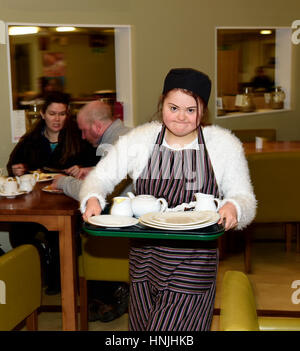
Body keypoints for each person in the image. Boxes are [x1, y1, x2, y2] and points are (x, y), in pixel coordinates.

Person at [79, 68, 256, 331]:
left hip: (194, 260)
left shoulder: (223, 144)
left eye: (190, 110)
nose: (181, 118)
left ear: (203, 111)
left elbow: (245, 198)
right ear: (162, 103)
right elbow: (100, 177)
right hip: (145, 259)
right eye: (173, 108)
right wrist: (92, 198)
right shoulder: (140, 140)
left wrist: (234, 206)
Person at [6, 91, 97, 295]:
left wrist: (82, 170)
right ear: (43, 115)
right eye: (52, 114)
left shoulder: (80, 138)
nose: (57, 119)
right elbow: (13, 165)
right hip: (35, 203)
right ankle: (37, 273)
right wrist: (17, 170)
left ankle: (59, 282)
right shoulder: (30, 140)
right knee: (18, 233)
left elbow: (97, 169)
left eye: (62, 114)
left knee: (59, 236)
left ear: (68, 115)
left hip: (67, 203)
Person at [51, 99, 132, 322]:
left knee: (79, 233)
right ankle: (106, 295)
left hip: (129, 226)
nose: (84, 137)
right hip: (131, 214)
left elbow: (98, 193)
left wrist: (63, 182)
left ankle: (107, 294)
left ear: (97, 126)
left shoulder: (117, 145)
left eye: (84, 131)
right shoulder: (124, 135)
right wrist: (94, 170)